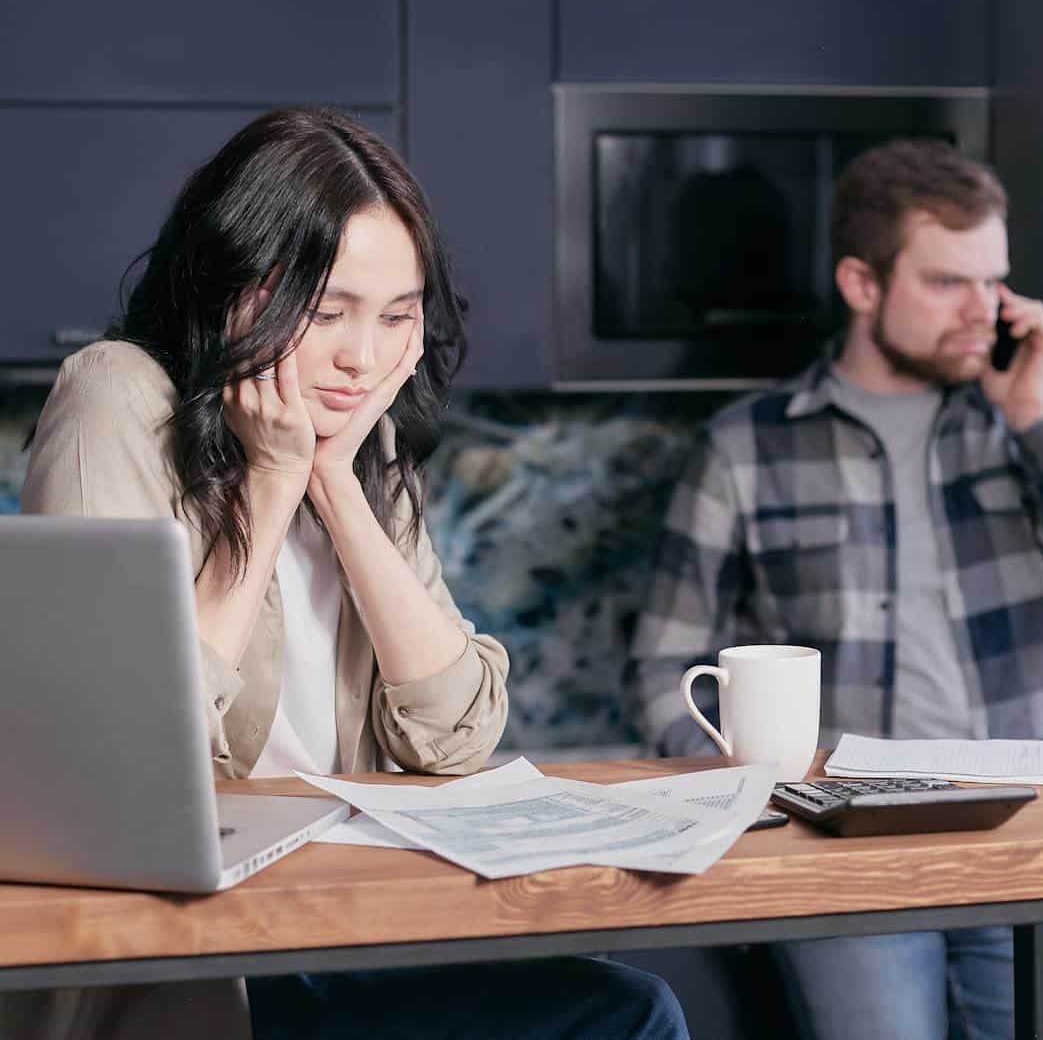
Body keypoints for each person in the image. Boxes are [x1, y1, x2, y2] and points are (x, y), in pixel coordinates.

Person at [12, 107, 687, 1040]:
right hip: (196, 955)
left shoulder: (365, 444)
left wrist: (333, 475)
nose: (361, 357)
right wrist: (274, 478)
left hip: (347, 925)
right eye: (327, 313)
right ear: (232, 290)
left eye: (396, 317)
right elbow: (121, 753)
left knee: (630, 1011)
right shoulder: (118, 395)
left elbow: (454, 735)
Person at [625, 138, 1043, 1039]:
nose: (983, 311)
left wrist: (1036, 418)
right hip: (846, 850)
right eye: (949, 282)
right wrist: (768, 796)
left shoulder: (1029, 424)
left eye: (995, 282)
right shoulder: (745, 447)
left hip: (1023, 839)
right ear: (861, 285)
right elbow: (660, 671)